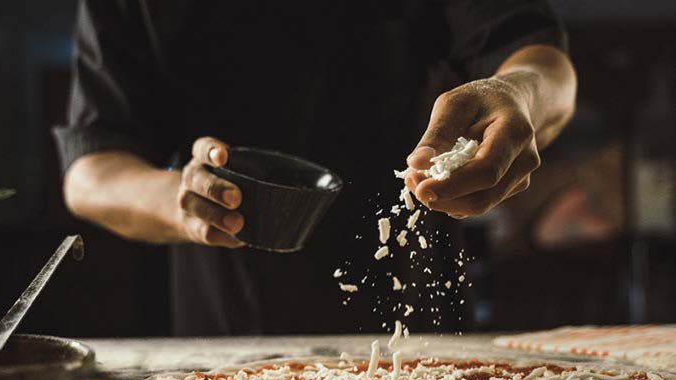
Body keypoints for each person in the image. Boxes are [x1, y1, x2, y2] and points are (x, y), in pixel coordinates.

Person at [55, 0, 577, 336]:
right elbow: (90, 172)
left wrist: (516, 94)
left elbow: (545, 66)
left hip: (417, 317)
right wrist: (182, 201)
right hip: (226, 333)